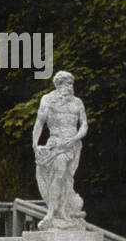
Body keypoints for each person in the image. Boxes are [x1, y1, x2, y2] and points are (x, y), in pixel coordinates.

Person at [32, 70, 88, 229]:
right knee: (60, 172)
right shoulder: (48, 100)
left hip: (74, 145)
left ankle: (63, 210)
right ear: (59, 84)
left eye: (72, 84)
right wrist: (35, 144)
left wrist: (77, 137)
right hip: (57, 143)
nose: (71, 87)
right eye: (68, 83)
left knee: (68, 178)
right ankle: (51, 212)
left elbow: (84, 124)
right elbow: (39, 123)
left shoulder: (77, 102)